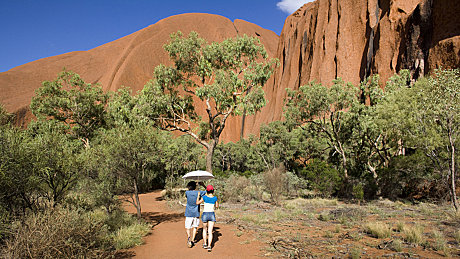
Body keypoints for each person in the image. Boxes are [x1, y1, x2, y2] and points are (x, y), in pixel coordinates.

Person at [196, 184, 219, 252]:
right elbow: (217, 206)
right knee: (210, 231)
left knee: (204, 229)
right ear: (213, 191)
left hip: (205, 214)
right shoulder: (215, 198)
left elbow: (197, 203)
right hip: (212, 214)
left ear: (207, 191)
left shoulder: (204, 197)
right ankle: (209, 246)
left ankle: (205, 244)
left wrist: (198, 196)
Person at [184, 181, 206, 248]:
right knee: (195, 226)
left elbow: (186, 197)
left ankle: (189, 237)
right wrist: (203, 185)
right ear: (195, 186)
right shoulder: (199, 192)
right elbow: (209, 191)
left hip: (188, 212)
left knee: (187, 227)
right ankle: (193, 240)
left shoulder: (187, 192)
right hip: (196, 212)